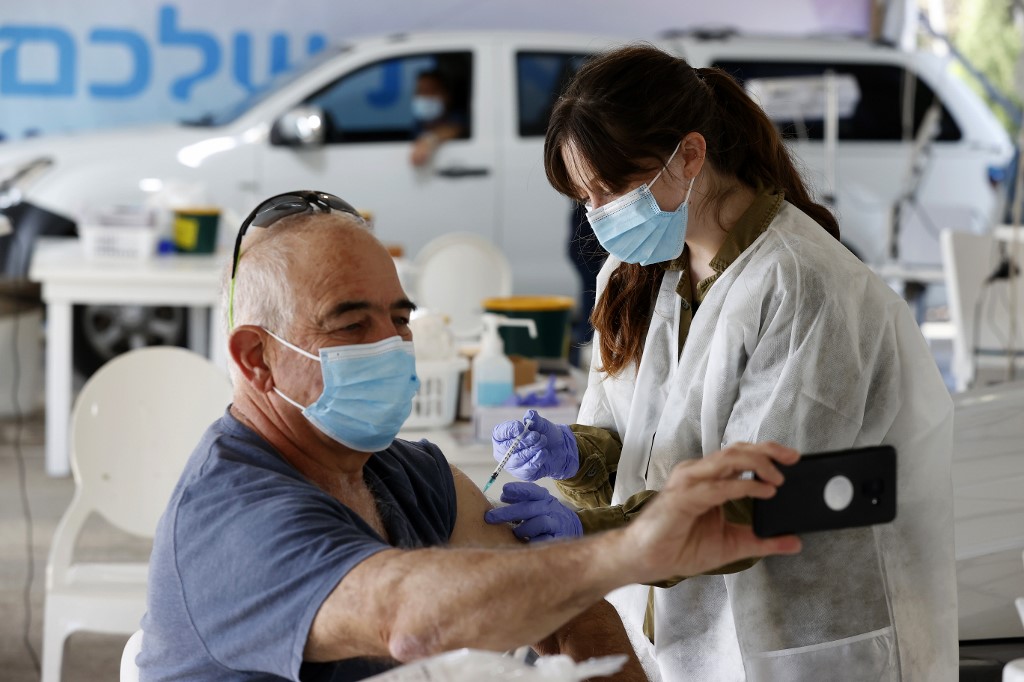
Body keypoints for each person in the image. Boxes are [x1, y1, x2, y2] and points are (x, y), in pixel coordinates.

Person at [136, 190, 803, 681]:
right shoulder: (228, 520)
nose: (392, 346)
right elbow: (408, 618)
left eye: (400, 319)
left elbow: (569, 609)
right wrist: (629, 550)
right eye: (351, 324)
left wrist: (585, 577)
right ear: (256, 358)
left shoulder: (403, 472)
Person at [485, 45, 958, 681]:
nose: (600, 215)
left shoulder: (801, 282)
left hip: (805, 638)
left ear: (690, 154)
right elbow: (644, 455)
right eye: (586, 197)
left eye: (614, 188)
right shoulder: (637, 276)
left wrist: (592, 535)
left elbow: (756, 498)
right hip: (684, 635)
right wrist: (576, 456)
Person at [409, 69, 466, 167]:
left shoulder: (457, 117)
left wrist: (428, 141)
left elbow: (455, 128)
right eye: (420, 91)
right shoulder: (418, 124)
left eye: (430, 91)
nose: (424, 97)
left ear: (446, 95)